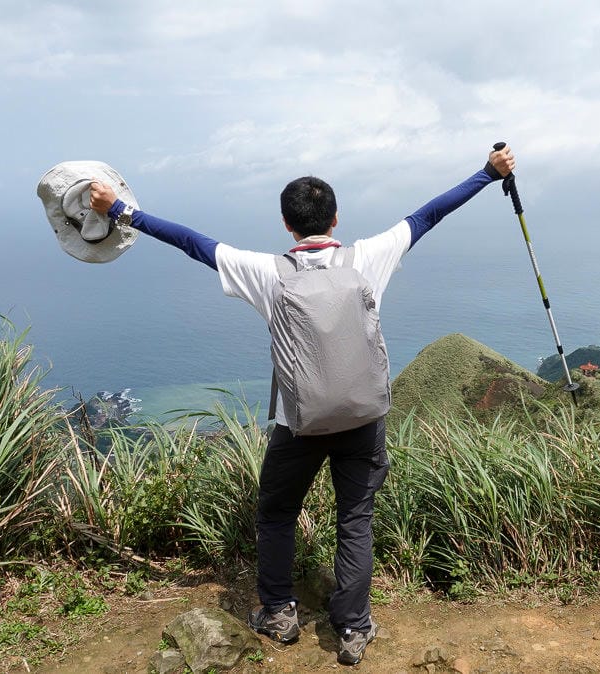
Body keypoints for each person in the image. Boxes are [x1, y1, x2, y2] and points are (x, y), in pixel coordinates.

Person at [88, 144, 516, 666]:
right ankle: (354, 628)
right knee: (355, 519)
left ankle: (278, 613)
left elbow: (189, 241)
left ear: (288, 226)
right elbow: (429, 213)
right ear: (334, 219)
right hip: (363, 418)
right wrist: (487, 174)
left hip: (299, 424)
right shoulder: (367, 258)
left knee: (277, 511)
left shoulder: (268, 273)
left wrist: (117, 210)